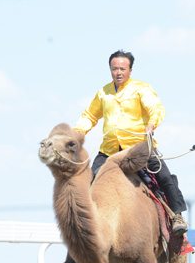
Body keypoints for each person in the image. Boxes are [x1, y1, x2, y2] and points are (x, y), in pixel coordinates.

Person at [74, 50, 188, 236]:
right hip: (110, 150)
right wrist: (78, 133)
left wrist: (152, 124)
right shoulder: (104, 93)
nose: (118, 72)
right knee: (88, 181)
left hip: (139, 148)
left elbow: (156, 108)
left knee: (165, 178)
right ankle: (83, 226)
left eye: (122, 69)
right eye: (114, 69)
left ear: (130, 70)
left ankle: (177, 216)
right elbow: (90, 116)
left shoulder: (141, 89)